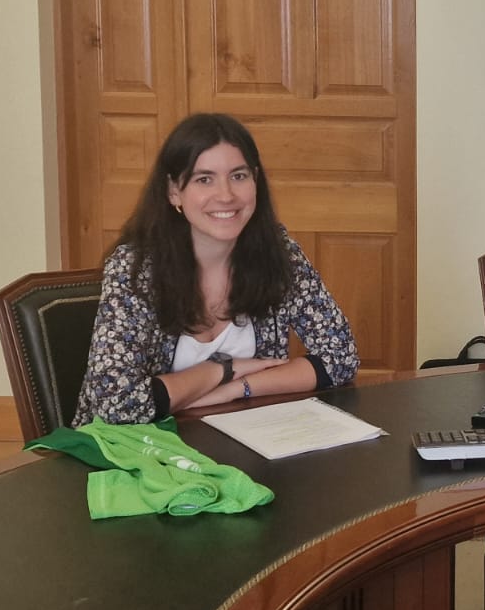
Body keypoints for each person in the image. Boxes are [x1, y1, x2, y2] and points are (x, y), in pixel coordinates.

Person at [73, 113, 358, 426]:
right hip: (142, 455)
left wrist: (236, 389)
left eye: (238, 176)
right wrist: (222, 369)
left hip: (245, 440)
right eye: (204, 179)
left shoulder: (280, 253)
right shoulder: (135, 269)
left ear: (256, 181)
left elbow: (340, 356)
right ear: (173, 192)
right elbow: (116, 404)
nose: (226, 195)